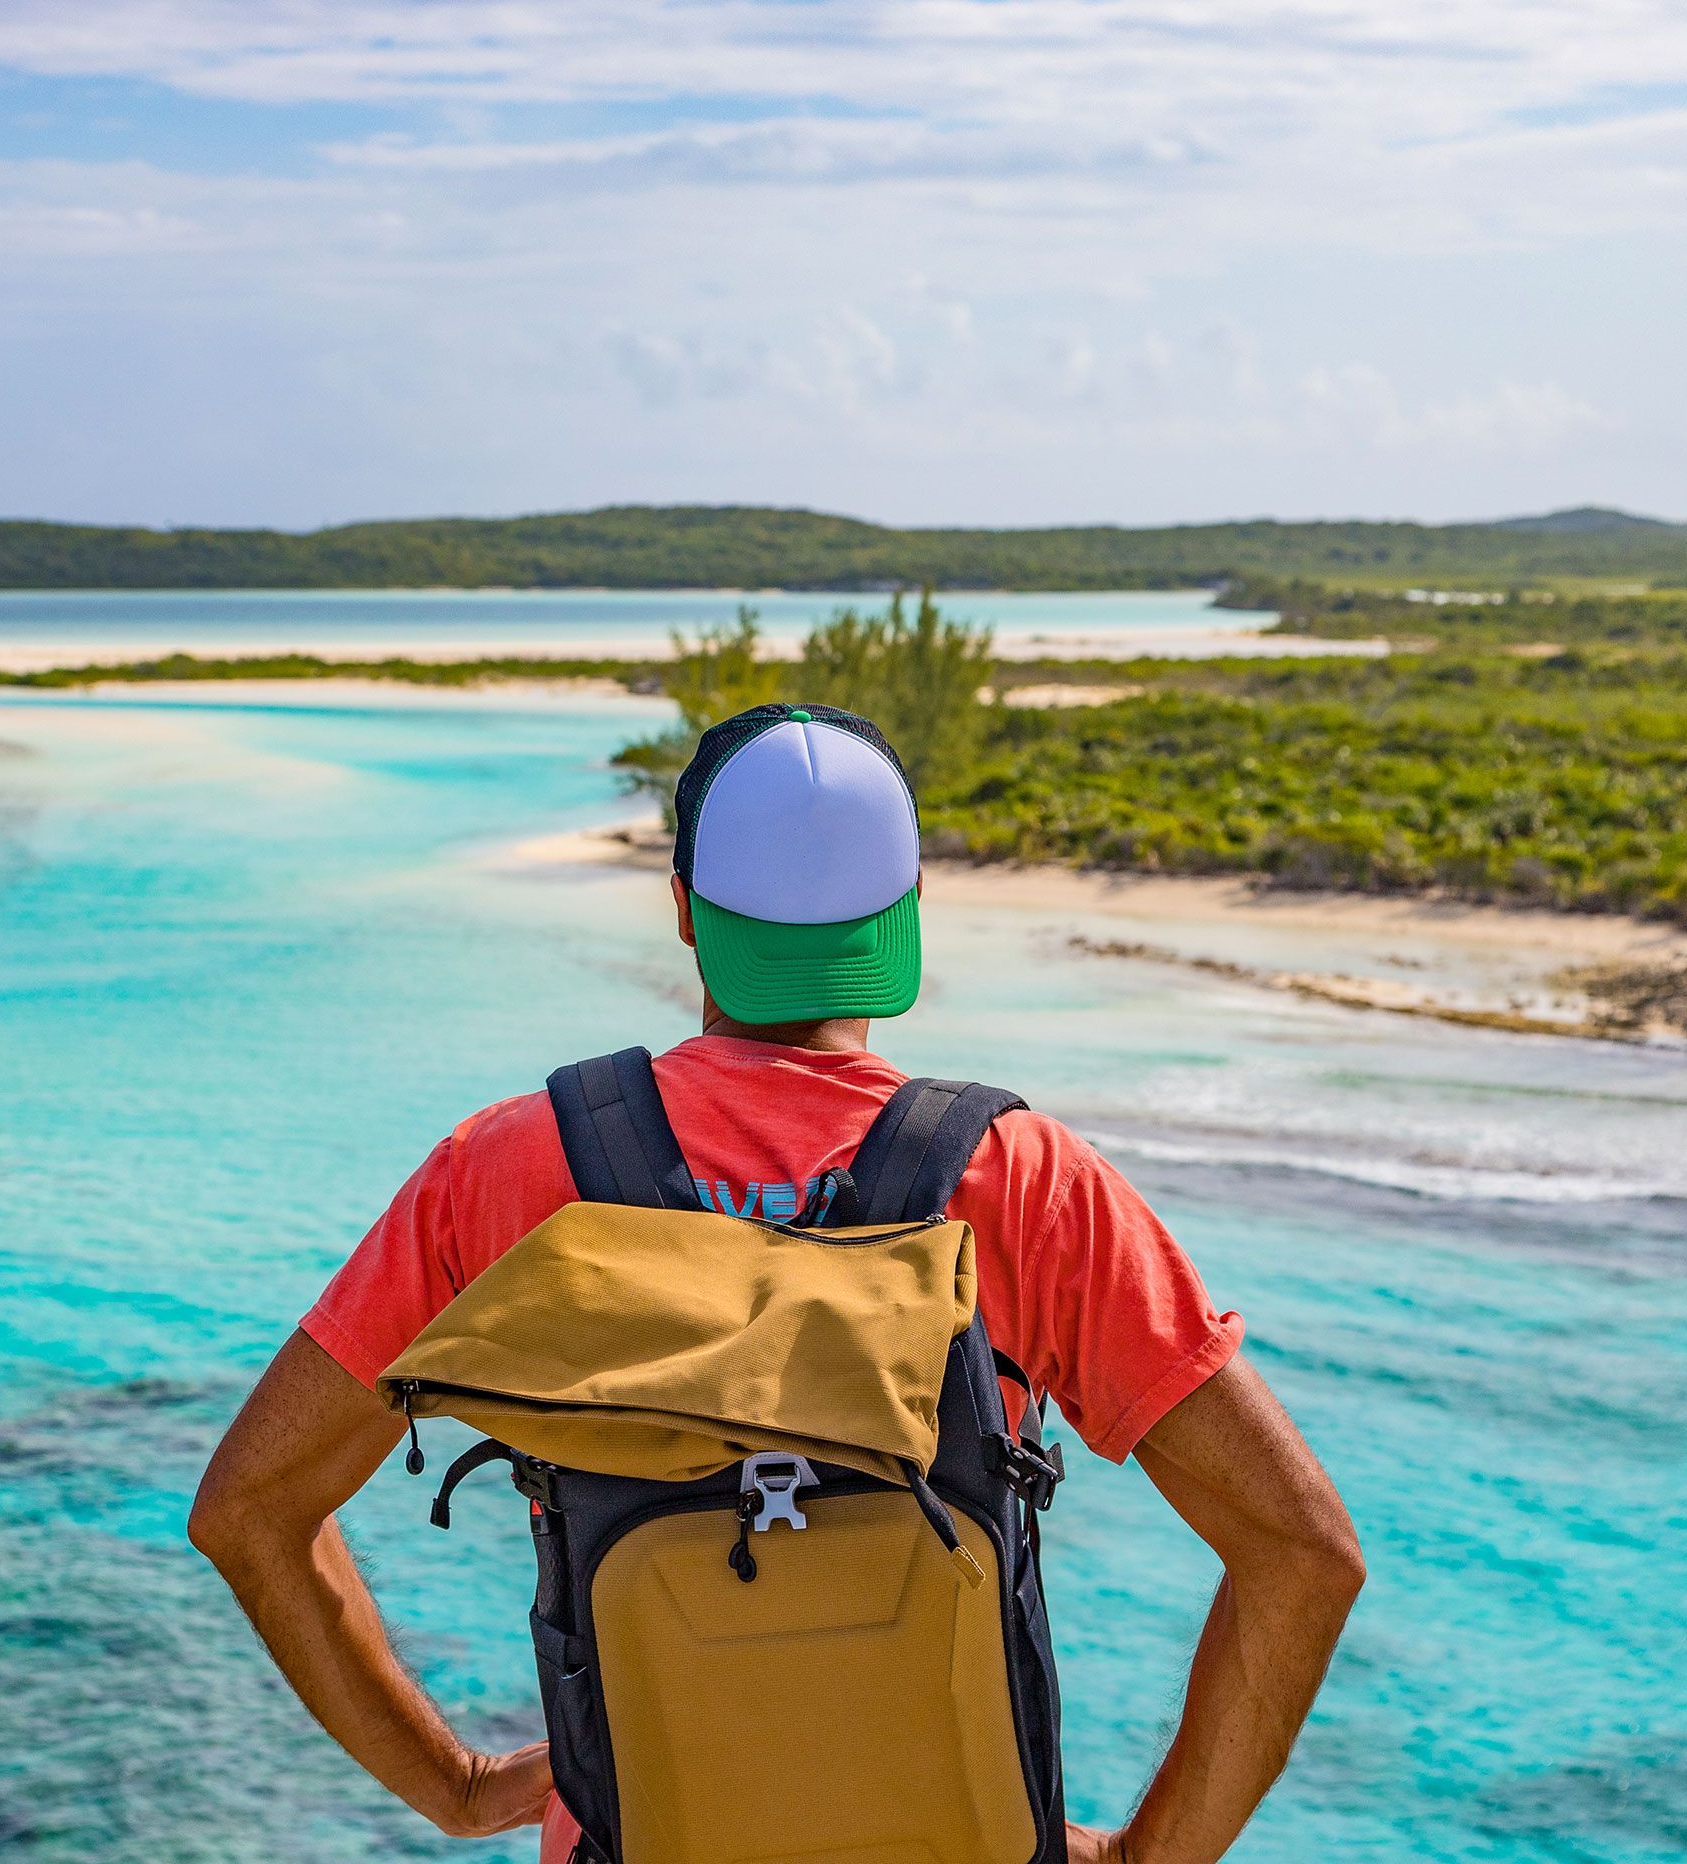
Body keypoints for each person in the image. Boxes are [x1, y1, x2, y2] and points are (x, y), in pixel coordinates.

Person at [190, 703, 1365, 1863]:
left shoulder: (510, 1168)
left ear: (687, 913)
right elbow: (1302, 1552)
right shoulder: (1025, 1179)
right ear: (904, 914)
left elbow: (250, 1509)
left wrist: (455, 1786)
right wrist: (1143, 1857)